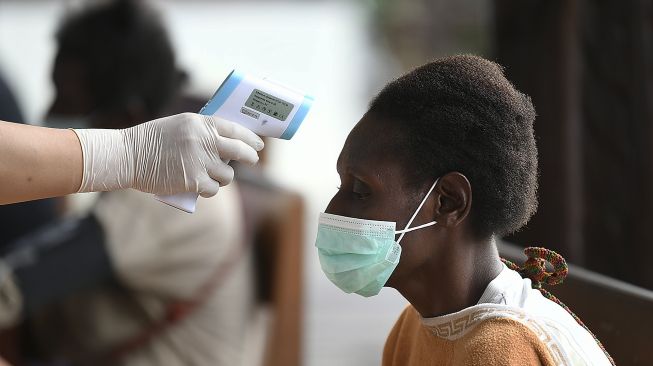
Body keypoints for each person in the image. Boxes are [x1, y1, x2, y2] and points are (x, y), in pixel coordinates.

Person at [0, 1, 257, 365]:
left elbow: (12, 288)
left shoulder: (171, 195)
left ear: (125, 116)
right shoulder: (165, 168)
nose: (47, 116)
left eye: (66, 101)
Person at [315, 55, 614, 365]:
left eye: (361, 191)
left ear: (448, 202)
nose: (333, 209)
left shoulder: (501, 349)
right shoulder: (412, 328)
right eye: (341, 187)